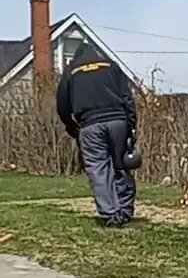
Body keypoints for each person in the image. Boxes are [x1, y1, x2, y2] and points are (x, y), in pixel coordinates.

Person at [56, 41, 137, 227]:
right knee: (121, 165)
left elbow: (62, 105)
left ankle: (111, 213)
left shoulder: (72, 71)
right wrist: (131, 126)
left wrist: (71, 127)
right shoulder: (110, 65)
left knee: (98, 168)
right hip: (118, 121)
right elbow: (127, 97)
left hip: (90, 124)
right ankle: (125, 209)